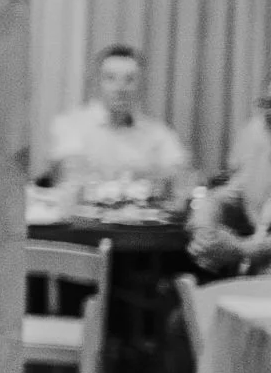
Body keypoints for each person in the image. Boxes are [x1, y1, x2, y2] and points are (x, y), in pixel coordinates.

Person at [47, 44, 190, 195]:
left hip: (141, 216)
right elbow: (73, 176)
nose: (120, 88)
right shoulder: (69, 125)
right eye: (110, 78)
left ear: (142, 86)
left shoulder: (158, 132)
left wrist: (105, 176)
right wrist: (143, 175)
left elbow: (180, 176)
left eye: (129, 80)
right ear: (96, 83)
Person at [189, 72, 271, 277]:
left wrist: (240, 248)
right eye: (267, 103)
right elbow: (220, 197)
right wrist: (204, 232)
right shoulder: (262, 147)